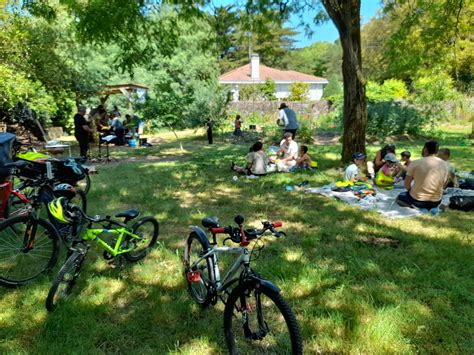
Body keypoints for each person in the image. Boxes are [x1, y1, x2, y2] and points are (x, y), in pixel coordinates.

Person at [396, 140, 449, 211]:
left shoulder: (416, 163)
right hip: (436, 201)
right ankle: (432, 209)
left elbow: (406, 184)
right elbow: (444, 183)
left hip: (418, 200)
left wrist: (410, 191)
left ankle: (416, 208)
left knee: (399, 197)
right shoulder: (445, 164)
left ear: (425, 149)